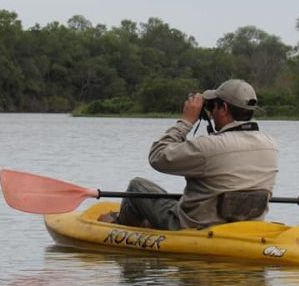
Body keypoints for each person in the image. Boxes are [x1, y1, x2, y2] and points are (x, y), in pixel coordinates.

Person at [108, 79, 279, 230]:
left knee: (137, 186)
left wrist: (186, 121)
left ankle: (121, 234)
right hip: (247, 226)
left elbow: (157, 156)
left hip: (194, 226)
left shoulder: (209, 146)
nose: (211, 113)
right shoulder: (270, 145)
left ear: (224, 108)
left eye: (212, 106)